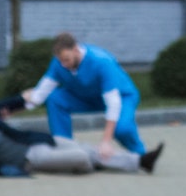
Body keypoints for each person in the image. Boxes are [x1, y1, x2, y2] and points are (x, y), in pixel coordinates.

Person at [15, 33, 165, 170]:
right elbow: (40, 94)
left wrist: (106, 141)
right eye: (60, 61)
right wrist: (11, 109)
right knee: (55, 98)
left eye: (66, 60)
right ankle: (66, 150)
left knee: (122, 129)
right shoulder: (58, 63)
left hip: (121, 96)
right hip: (85, 97)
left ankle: (141, 156)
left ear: (76, 49)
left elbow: (113, 103)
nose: (64, 65)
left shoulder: (101, 62)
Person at [0, 91, 142, 179]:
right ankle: (95, 163)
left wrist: (32, 95)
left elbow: (13, 102)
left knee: (83, 147)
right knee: (82, 156)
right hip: (28, 158)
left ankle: (139, 162)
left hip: (36, 140)